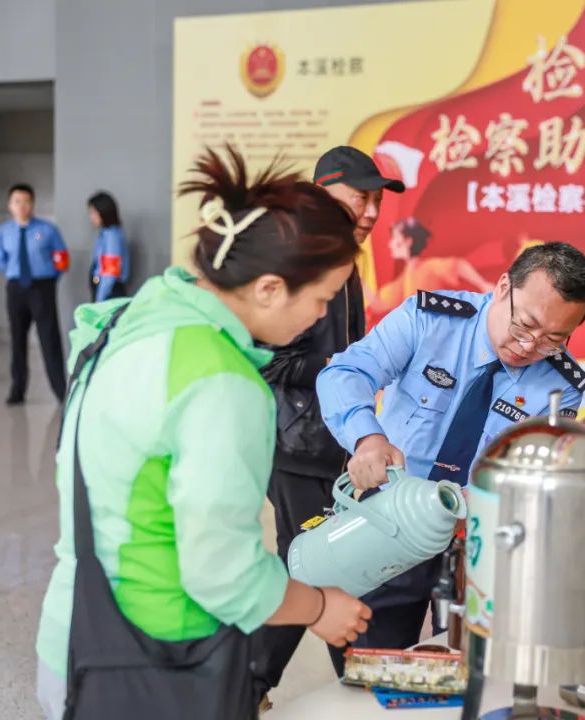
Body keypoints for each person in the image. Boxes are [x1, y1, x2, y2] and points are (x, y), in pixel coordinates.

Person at [34, 144, 372, 720]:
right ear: (269, 288)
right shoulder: (222, 380)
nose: (321, 316)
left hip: (75, 631)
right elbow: (223, 574)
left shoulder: (132, 317)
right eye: (320, 299)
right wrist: (318, 607)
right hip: (158, 657)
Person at [317, 242, 585, 652]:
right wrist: (367, 438)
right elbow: (347, 371)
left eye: (552, 340)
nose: (528, 347)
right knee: (372, 656)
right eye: (524, 325)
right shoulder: (429, 320)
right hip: (391, 518)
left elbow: (533, 476)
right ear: (503, 287)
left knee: (468, 660)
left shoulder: (561, 386)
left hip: (476, 537)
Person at [249, 145, 404, 705]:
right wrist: (341, 367)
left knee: (313, 560)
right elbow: (268, 359)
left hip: (328, 442)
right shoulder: (298, 258)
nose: (371, 211)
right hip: (294, 443)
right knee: (315, 563)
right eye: (360, 197)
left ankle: (258, 682)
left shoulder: (344, 260)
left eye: (377, 200)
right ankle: (261, 682)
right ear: (323, 192)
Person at [0, 183, 69, 405]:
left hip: (42, 287)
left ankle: (61, 391)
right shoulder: (3, 232)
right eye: (17, 202)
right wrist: (14, 276)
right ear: (9, 205)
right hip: (16, 287)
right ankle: (17, 390)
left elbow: (62, 258)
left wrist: (50, 278)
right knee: (17, 339)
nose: (22, 206)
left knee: (49, 338)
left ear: (33, 204)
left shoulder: (48, 230)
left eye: (26, 201)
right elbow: (2, 260)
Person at [368, 217, 493, 320]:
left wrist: (483, 284)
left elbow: (459, 265)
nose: (390, 244)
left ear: (408, 241)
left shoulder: (429, 267)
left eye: (394, 238)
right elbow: (379, 305)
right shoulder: (406, 275)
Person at [86, 191, 131, 302]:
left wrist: (100, 299)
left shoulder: (112, 237)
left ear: (103, 211)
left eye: (93, 213)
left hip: (109, 291)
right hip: (102, 286)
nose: (91, 217)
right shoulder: (104, 234)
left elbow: (110, 272)